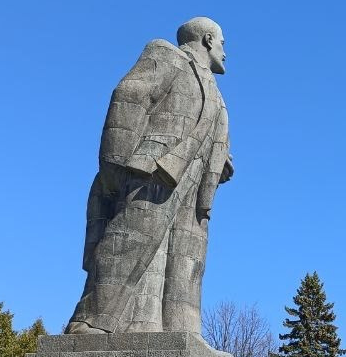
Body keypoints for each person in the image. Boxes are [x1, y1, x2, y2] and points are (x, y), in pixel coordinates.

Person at [66, 17, 233, 335]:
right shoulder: (167, 55)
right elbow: (129, 96)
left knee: (186, 262)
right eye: (223, 43)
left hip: (194, 184)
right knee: (127, 243)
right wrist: (115, 165)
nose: (226, 52)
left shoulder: (215, 92)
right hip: (154, 170)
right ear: (208, 40)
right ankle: (90, 320)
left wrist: (219, 160)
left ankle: (181, 330)